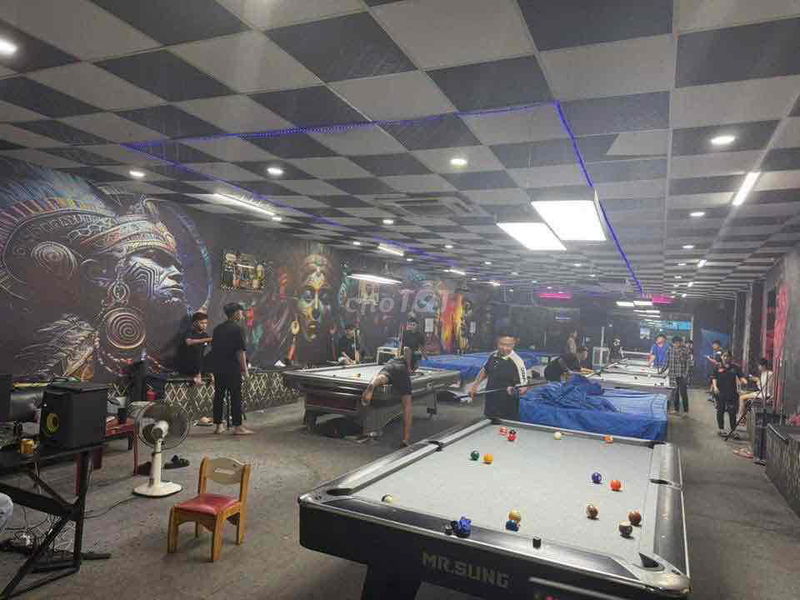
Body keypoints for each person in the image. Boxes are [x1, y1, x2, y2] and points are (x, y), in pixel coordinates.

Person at [361, 316, 425, 446]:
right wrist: (409, 368)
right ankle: (406, 439)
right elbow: (407, 350)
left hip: (392, 363)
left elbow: (406, 349)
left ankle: (372, 385)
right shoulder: (415, 352)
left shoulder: (413, 337)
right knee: (407, 405)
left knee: (384, 377)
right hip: (403, 369)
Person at [209, 303, 253, 435]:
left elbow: (214, 350)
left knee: (219, 395)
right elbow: (240, 352)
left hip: (218, 367)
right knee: (235, 397)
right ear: (235, 314)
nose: (242, 314)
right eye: (241, 312)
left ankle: (218, 426)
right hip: (232, 368)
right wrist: (245, 371)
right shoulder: (238, 329)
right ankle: (238, 427)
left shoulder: (217, 329)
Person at [468, 333, 529, 419]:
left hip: (507, 407)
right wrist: (474, 385)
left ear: (514, 344)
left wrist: (514, 391)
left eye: (508, 345)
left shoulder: (518, 362)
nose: (504, 348)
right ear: (497, 342)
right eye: (502, 344)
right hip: (490, 403)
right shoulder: (493, 355)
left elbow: (523, 388)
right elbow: (485, 370)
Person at [711, 352, 748, 437]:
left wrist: (744, 381)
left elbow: (741, 376)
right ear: (721, 357)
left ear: (731, 357)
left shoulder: (735, 367)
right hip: (720, 392)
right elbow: (714, 378)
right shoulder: (717, 366)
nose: (726, 358)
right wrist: (715, 387)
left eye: (728, 356)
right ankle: (721, 429)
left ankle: (733, 431)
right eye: (724, 356)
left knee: (732, 412)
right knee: (720, 410)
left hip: (732, 393)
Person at [176, 312, 212, 385]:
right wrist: (207, 339)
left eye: (206, 323)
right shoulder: (189, 333)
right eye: (202, 323)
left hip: (200, 365)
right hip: (187, 365)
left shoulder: (205, 335)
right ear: (195, 323)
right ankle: (198, 376)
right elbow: (189, 342)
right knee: (197, 350)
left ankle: (211, 374)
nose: (204, 325)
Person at [662, 336, 690, 414]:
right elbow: (667, 362)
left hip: (682, 375)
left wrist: (686, 373)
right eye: (675, 343)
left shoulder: (685, 351)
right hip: (673, 375)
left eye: (678, 342)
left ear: (681, 343)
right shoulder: (669, 350)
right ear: (673, 343)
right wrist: (662, 370)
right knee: (675, 393)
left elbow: (688, 363)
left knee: (683, 393)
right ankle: (676, 409)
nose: (677, 344)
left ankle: (686, 411)